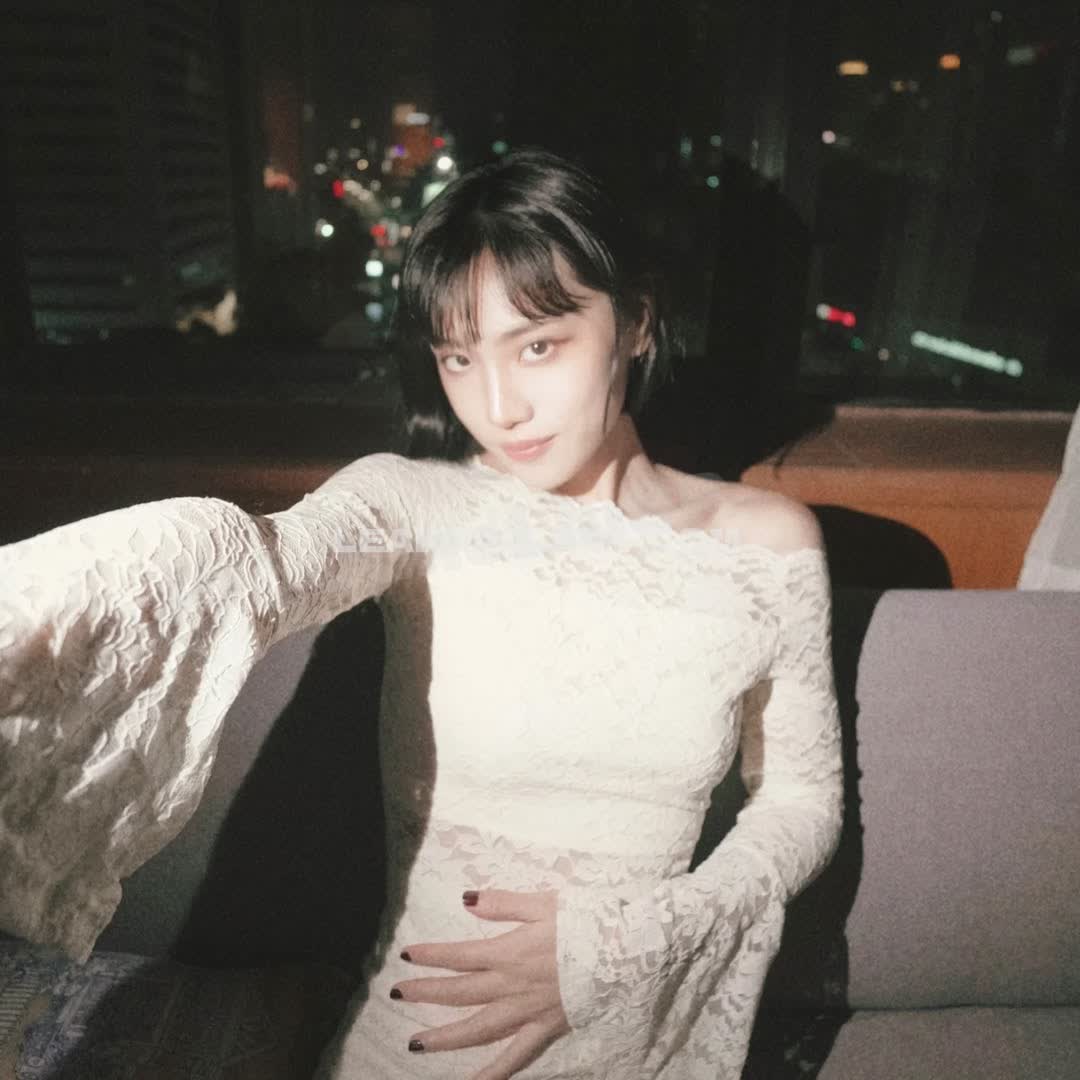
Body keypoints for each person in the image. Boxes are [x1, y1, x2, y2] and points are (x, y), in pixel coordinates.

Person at [0, 147, 843, 1080]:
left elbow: (801, 801)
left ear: (636, 321)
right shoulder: (414, 503)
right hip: (409, 1051)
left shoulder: (768, 542)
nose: (499, 406)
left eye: (538, 345)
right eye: (458, 357)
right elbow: (258, 565)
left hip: (635, 1038)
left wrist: (622, 948)